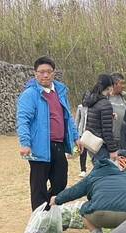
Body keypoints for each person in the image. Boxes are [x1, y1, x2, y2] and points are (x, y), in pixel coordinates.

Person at [16, 56, 79, 211]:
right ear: (35, 74)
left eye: (48, 72)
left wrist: (76, 137)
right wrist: (25, 143)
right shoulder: (30, 94)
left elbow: (68, 117)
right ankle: (39, 219)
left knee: (60, 182)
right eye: (41, 72)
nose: (45, 75)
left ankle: (47, 209)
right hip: (39, 147)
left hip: (58, 145)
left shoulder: (60, 92)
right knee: (38, 185)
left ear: (54, 73)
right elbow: (23, 120)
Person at [52, 157, 126, 233]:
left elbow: (74, 191)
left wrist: (57, 199)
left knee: (84, 208)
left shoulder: (92, 177)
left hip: (99, 215)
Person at [81, 73, 119, 163]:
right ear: (109, 87)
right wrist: (113, 150)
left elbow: (95, 118)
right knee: (104, 175)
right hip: (101, 146)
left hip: (91, 144)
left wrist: (109, 116)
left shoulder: (92, 100)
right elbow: (107, 131)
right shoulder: (105, 104)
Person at [108, 73, 126, 143]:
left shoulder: (124, 98)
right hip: (109, 139)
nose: (123, 86)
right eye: (121, 83)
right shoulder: (105, 98)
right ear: (114, 84)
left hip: (123, 137)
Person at [75, 93, 89, 177]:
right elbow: (77, 120)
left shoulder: (93, 107)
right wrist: (75, 133)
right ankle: (83, 169)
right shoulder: (80, 107)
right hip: (81, 133)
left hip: (90, 133)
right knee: (83, 152)